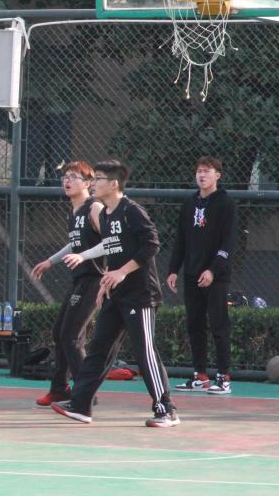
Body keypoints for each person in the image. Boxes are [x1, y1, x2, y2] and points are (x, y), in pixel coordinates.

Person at [51, 160, 179, 428]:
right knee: (98, 350)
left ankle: (166, 409)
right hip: (115, 294)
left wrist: (122, 272)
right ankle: (81, 405)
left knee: (145, 351)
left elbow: (151, 244)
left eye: (98, 179)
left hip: (140, 295)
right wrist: (105, 283)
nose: (94, 184)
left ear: (114, 184)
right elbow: (111, 248)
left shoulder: (131, 211)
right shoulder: (106, 215)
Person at [30, 161, 103, 407]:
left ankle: (85, 392)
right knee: (60, 333)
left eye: (74, 177)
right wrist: (50, 261)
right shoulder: (73, 212)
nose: (67, 181)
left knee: (70, 335)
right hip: (80, 279)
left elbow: (111, 241)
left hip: (96, 279)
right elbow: (75, 243)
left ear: (88, 183)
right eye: (65, 177)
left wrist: (85, 257)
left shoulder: (94, 208)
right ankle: (60, 389)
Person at [166, 156, 238, 395]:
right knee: (194, 324)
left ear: (218, 175)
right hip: (191, 273)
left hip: (216, 276)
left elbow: (228, 241)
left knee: (218, 324)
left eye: (207, 171)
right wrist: (173, 270)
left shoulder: (225, 203)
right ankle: (200, 375)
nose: (202, 175)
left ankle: (223, 378)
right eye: (199, 171)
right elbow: (181, 239)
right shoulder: (189, 203)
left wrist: (213, 270)